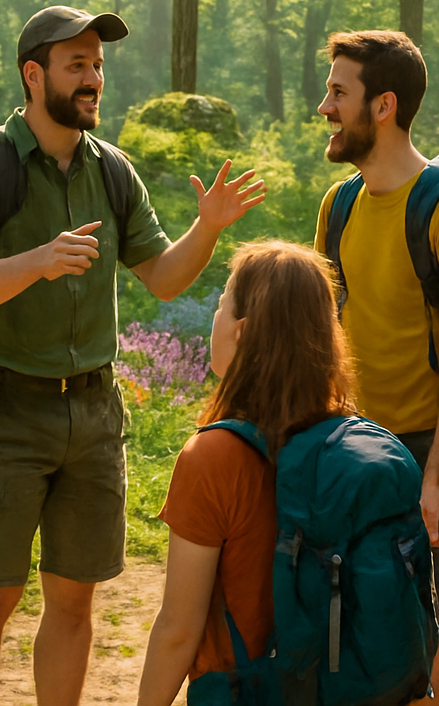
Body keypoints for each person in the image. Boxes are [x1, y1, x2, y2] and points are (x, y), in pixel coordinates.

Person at [0, 5, 266, 706]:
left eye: (98, 66)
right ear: (32, 73)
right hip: (9, 410)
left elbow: (164, 278)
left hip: (95, 415)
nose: (94, 79)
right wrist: (36, 262)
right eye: (77, 64)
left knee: (74, 605)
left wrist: (207, 229)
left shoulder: (113, 171)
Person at [311, 30, 439, 705]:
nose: (325, 106)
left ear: (383, 106)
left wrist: (436, 472)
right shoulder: (338, 204)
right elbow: (325, 334)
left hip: (428, 449)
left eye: (338, 92)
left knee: (433, 628)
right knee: (354, 624)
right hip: (350, 449)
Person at [136, 241, 356, 706]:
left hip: (246, 691)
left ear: (241, 330)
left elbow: (179, 629)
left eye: (220, 304)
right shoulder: (347, 439)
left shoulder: (214, 457)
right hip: (335, 688)